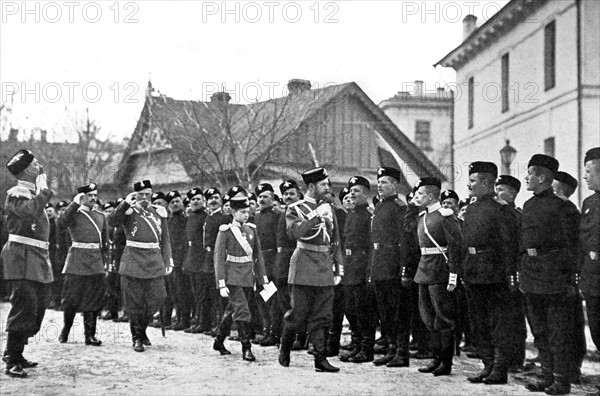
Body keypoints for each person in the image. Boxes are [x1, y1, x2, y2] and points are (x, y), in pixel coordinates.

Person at [520, 155, 577, 395]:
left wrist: (571, 279)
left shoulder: (562, 207)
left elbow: (574, 246)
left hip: (554, 276)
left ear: (542, 177)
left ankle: (561, 381)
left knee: (557, 332)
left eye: (530, 174)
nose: (526, 178)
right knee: (539, 330)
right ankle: (545, 376)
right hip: (531, 274)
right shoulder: (529, 205)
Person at [278, 167, 343, 373]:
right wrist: (315, 216)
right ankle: (285, 346)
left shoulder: (329, 208)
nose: (328, 188)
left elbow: (335, 241)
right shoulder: (294, 208)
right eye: (324, 184)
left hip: (324, 265)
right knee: (298, 315)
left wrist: (338, 268)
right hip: (304, 263)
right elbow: (295, 232)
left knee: (323, 316)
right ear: (312, 186)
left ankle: (320, 358)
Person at [461, 162, 519, 385]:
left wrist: (510, 275)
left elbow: (509, 245)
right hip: (473, 271)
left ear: (486, 182)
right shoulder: (473, 208)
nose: (469, 184)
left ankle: (500, 368)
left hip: (494, 273)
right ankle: (487, 365)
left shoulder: (502, 209)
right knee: (478, 323)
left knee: (498, 323)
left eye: (473, 180)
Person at [1, 149, 53, 378]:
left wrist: (41, 193)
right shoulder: (17, 194)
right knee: (25, 305)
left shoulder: (32, 193)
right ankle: (12, 357)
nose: (40, 166)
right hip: (21, 256)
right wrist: (43, 192)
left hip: (37, 256)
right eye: (36, 163)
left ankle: (17, 351)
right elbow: (30, 213)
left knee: (39, 305)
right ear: (28, 170)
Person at [107, 180, 173, 352]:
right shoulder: (128, 211)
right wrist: (125, 203)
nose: (144, 198)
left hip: (154, 261)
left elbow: (165, 239)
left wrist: (168, 260)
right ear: (135, 196)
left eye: (147, 195)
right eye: (140, 195)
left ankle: (142, 329)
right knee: (134, 302)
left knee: (157, 297)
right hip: (133, 261)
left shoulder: (159, 213)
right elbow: (113, 221)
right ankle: (137, 336)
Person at [412, 177, 466, 377]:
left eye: (420, 195)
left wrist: (453, 273)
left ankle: (446, 362)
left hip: (440, 271)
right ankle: (435, 359)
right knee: (428, 318)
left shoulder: (445, 216)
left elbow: (456, 245)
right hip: (424, 270)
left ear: (431, 196)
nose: (416, 198)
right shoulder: (422, 216)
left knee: (443, 318)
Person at [212, 195, 269, 361]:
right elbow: (218, 259)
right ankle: (246, 347)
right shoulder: (226, 231)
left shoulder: (252, 229)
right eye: (242, 212)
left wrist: (262, 278)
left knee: (232, 310)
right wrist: (221, 283)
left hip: (247, 277)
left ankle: (219, 340)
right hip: (232, 278)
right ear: (233, 212)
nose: (246, 215)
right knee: (243, 310)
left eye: (247, 212)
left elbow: (258, 256)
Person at [58, 183, 108, 346]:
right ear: (82, 197)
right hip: (77, 262)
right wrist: (74, 203)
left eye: (95, 195)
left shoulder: (100, 216)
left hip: (95, 262)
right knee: (71, 299)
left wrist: (105, 263)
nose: (93, 198)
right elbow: (62, 223)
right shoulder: (74, 214)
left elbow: (105, 242)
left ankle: (90, 335)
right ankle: (66, 329)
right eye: (90, 196)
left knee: (93, 299)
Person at [370, 167, 411, 368]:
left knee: (398, 312)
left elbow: (404, 241)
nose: (380, 185)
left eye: (385, 182)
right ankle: (391, 349)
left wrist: (404, 269)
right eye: (379, 182)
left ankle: (402, 353)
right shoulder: (379, 207)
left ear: (395, 185)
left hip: (393, 264)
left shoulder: (399, 207)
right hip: (379, 263)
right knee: (385, 312)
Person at [553, 171, 587, 384]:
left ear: (561, 189)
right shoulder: (562, 209)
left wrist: (572, 276)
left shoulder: (567, 211)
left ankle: (572, 369)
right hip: (562, 273)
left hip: (566, 275)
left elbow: (573, 246)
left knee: (569, 324)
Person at [339, 176, 376, 363]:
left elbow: (370, 246)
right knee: (350, 309)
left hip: (361, 266)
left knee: (363, 310)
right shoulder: (351, 214)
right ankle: (356, 344)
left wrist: (368, 272)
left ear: (367, 194)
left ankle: (366, 349)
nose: (352, 194)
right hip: (349, 265)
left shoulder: (369, 217)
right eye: (351, 190)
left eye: (357, 191)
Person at [495, 175, 528, 371]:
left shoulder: (517, 215)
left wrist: (515, 273)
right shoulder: (495, 213)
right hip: (497, 271)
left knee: (514, 317)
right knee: (500, 317)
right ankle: (501, 358)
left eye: (501, 190)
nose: (497, 193)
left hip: (513, 271)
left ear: (513, 193)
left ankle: (515, 359)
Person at [198, 188, 231, 336]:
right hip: (207, 259)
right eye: (210, 198)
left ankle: (221, 326)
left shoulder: (223, 218)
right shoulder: (208, 217)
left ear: (221, 200)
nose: (213, 200)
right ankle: (214, 324)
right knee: (211, 294)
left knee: (220, 296)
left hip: (218, 259)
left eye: (216, 198)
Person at [580, 148, 600, 376]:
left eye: (588, 171)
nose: (585, 176)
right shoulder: (589, 202)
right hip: (592, 275)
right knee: (596, 330)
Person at [253, 183, 280, 346]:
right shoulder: (255, 218)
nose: (262, 199)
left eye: (266, 197)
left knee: (271, 299)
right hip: (258, 264)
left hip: (271, 263)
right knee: (260, 298)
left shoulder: (277, 217)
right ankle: (265, 329)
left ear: (272, 199)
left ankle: (273, 333)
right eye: (260, 196)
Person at [163, 190, 189, 330]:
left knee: (183, 292)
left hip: (181, 262)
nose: (175, 204)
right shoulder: (168, 222)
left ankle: (184, 320)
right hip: (171, 262)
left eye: (177, 201)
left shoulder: (185, 220)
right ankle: (178, 319)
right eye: (172, 202)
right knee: (174, 293)